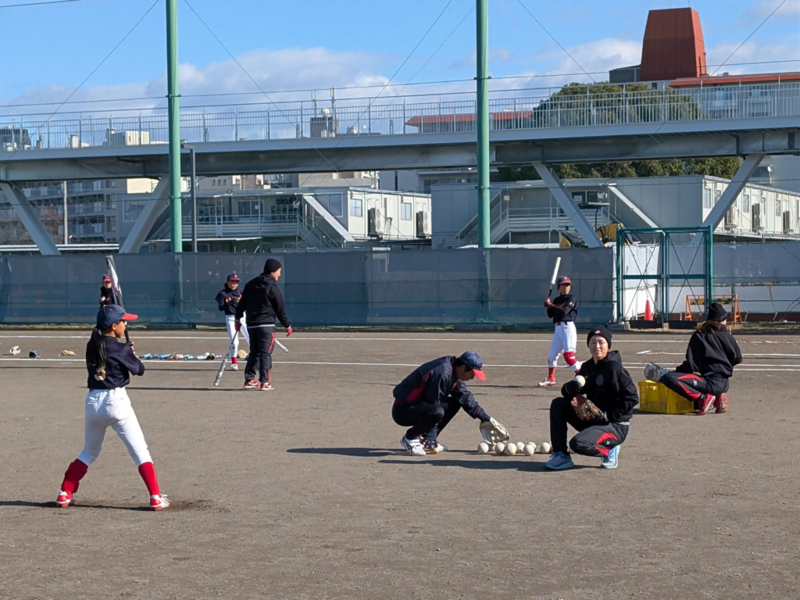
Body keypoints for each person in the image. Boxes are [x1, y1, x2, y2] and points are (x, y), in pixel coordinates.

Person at [55, 304, 169, 510]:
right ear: (114, 325)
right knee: (140, 452)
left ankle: (65, 492)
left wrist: (126, 351)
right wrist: (131, 354)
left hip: (93, 401)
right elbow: (140, 370)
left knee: (88, 452)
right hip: (116, 402)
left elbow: (108, 349)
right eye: (123, 322)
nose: (125, 324)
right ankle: (155, 497)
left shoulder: (92, 344)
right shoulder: (121, 348)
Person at [544, 326, 638, 470]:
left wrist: (609, 415)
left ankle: (610, 450)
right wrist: (570, 388)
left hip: (614, 425)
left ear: (608, 345)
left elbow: (632, 398)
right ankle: (561, 455)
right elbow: (569, 393)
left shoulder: (615, 369)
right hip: (595, 420)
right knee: (558, 404)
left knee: (578, 444)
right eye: (593, 342)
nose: (597, 346)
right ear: (588, 345)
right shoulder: (587, 367)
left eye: (601, 342)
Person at [644, 302, 742, 416]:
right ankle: (717, 398)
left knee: (668, 378)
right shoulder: (728, 336)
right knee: (691, 399)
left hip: (709, 381)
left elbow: (691, 365)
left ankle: (704, 397)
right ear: (723, 320)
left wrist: (674, 373)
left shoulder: (700, 335)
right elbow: (737, 358)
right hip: (724, 383)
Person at [392, 351, 491, 456]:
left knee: (455, 402)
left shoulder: (454, 371)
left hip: (420, 406)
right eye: (473, 373)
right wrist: (432, 434)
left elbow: (464, 397)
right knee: (437, 411)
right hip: (404, 410)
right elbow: (433, 402)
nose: (472, 378)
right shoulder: (442, 372)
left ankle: (425, 440)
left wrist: (484, 417)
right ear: (463, 367)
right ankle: (410, 438)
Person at [235, 258, 291, 390]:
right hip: (266, 325)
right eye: (278, 271)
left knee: (254, 351)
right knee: (265, 353)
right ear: (272, 272)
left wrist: (238, 320)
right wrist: (287, 325)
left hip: (252, 324)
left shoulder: (250, 284)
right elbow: (280, 307)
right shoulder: (272, 287)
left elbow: (241, 304)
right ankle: (264, 382)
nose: (279, 274)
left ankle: (249, 380)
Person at [539, 275, 581, 387]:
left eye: (568, 285)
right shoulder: (557, 300)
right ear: (559, 287)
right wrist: (548, 306)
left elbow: (564, 311)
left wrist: (551, 305)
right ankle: (551, 379)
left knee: (569, 356)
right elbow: (550, 315)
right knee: (551, 356)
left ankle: (583, 376)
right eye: (564, 285)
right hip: (558, 329)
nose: (566, 287)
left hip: (568, 327)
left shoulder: (572, 299)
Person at [215, 273, 249, 371]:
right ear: (227, 282)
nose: (234, 284)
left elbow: (247, 304)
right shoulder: (223, 294)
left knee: (251, 339)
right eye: (232, 282)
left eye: (236, 282)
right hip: (231, 318)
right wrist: (229, 303)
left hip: (242, 317)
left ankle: (255, 360)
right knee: (234, 342)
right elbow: (221, 308)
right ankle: (234, 363)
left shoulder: (241, 291)